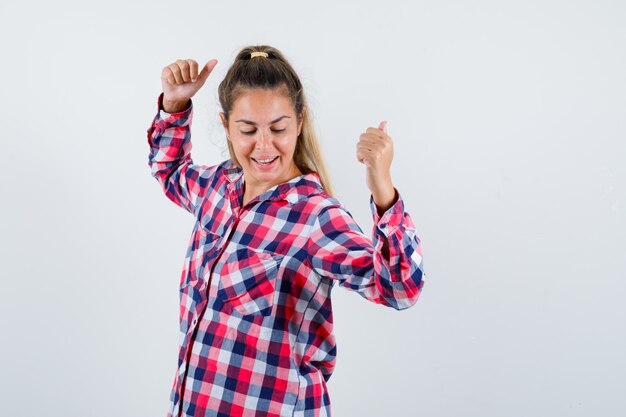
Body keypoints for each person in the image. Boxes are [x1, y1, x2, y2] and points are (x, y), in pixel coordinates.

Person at [146, 45, 426, 417]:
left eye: (278, 128)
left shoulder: (316, 217)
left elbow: (400, 289)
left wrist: (383, 189)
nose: (264, 146)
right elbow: (170, 171)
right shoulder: (216, 189)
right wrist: (174, 106)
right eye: (248, 130)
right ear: (226, 125)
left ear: (299, 121)